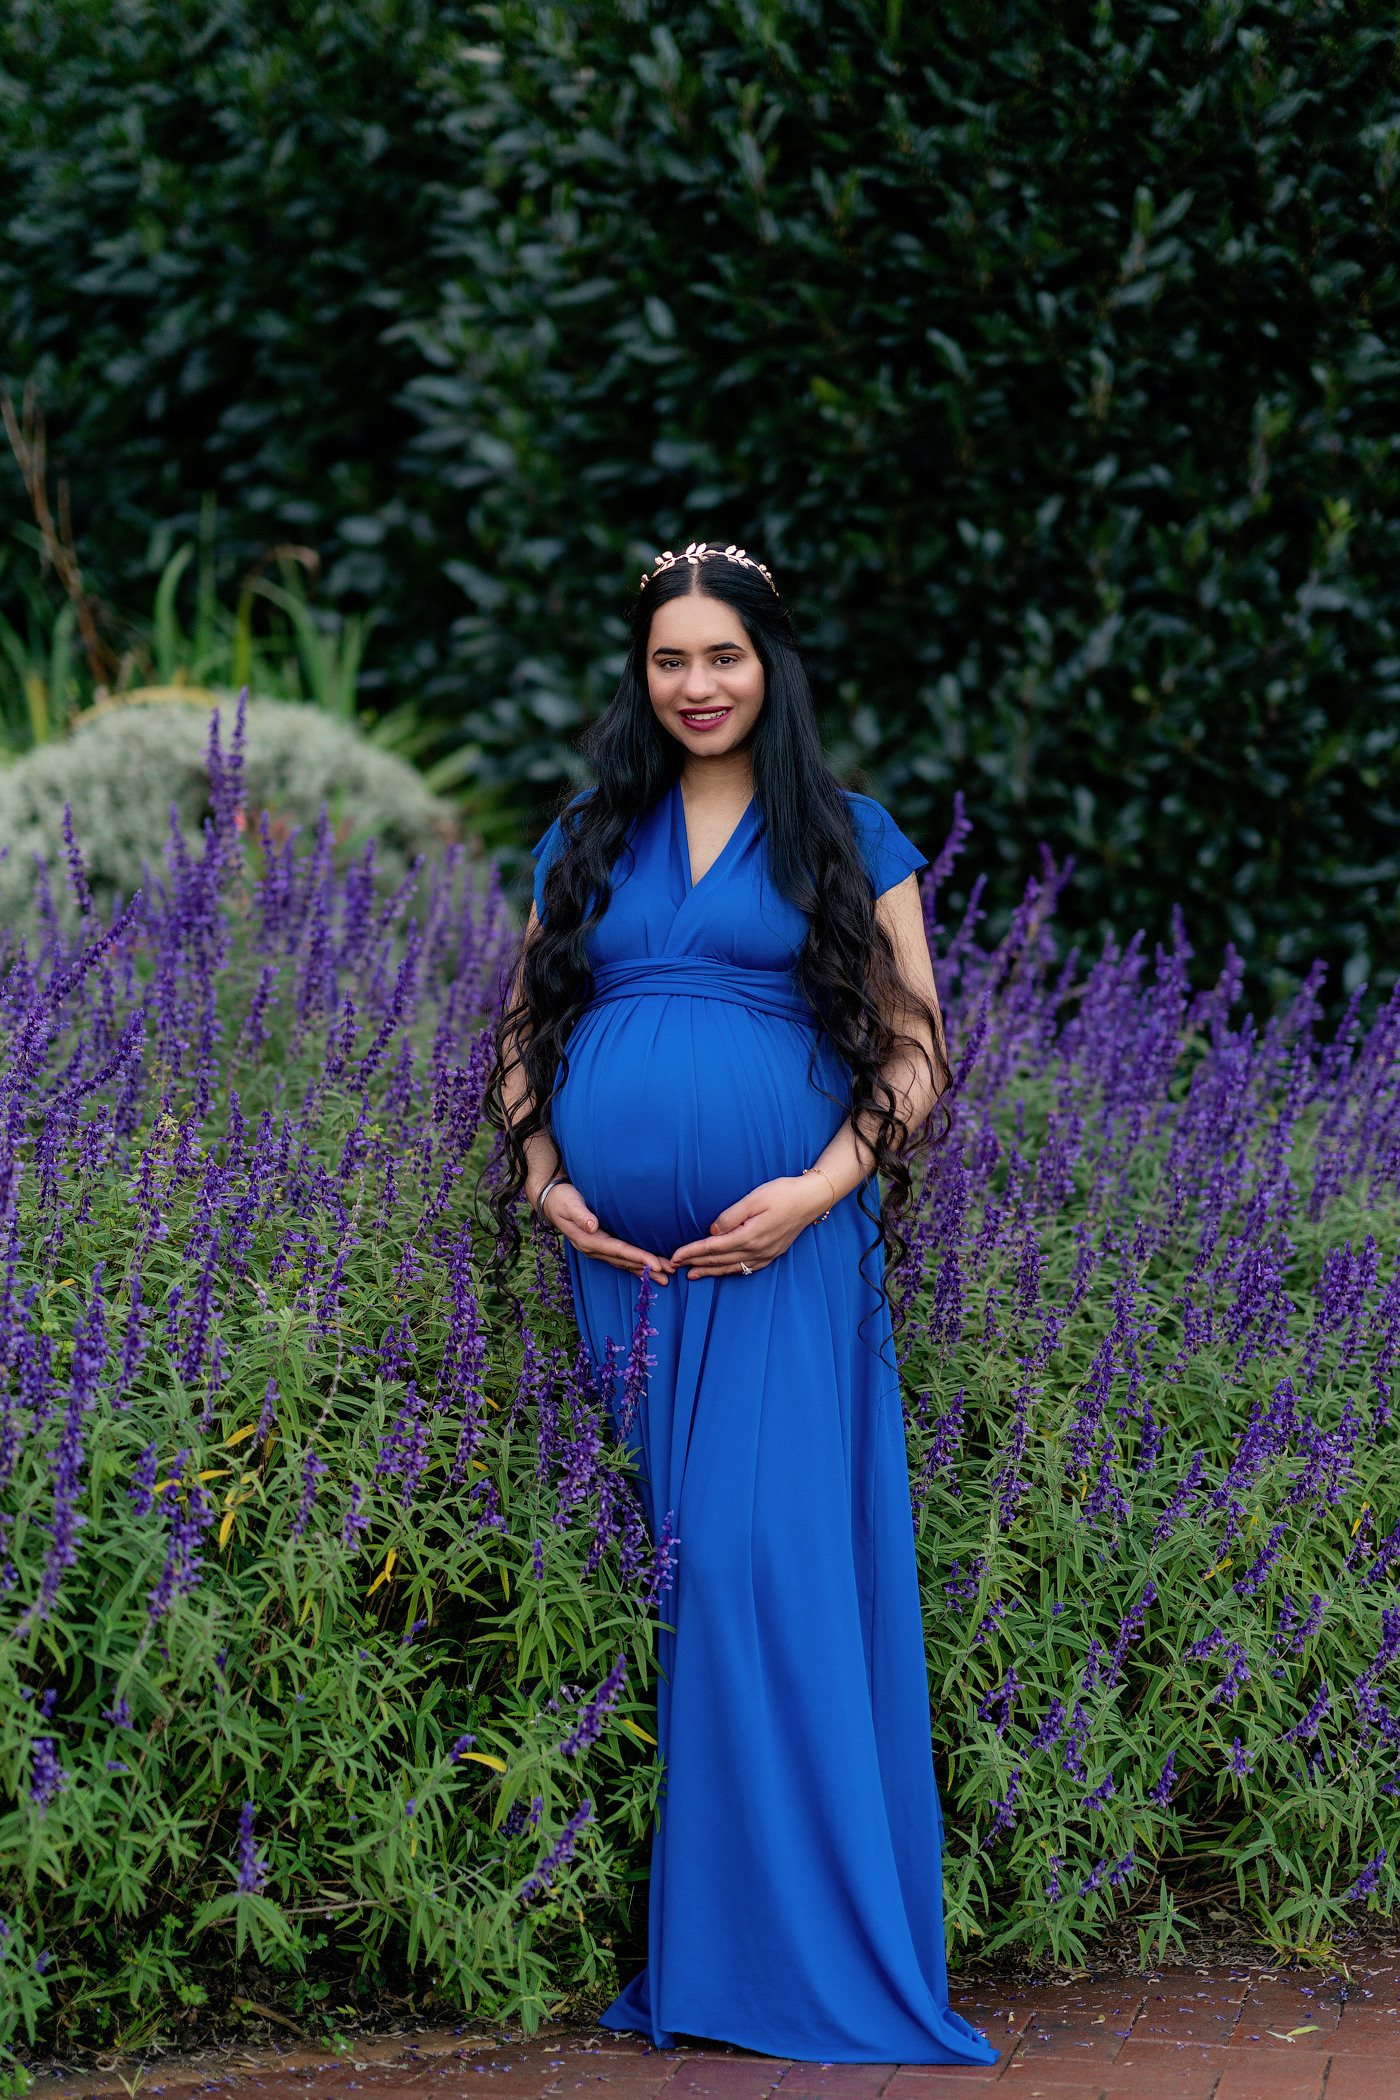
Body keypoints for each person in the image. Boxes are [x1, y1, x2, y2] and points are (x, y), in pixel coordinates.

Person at [489, 542, 996, 2067]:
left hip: (781, 1269)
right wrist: (543, 1173)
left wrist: (811, 1193)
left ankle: (790, 1971)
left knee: (754, 1583)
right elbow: (524, 1027)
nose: (696, 684)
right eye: (668, 659)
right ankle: (700, 1960)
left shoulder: (847, 837)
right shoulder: (587, 835)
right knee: (647, 1597)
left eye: (722, 656)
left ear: (770, 667)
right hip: (616, 1269)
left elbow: (916, 1056)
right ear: (639, 677)